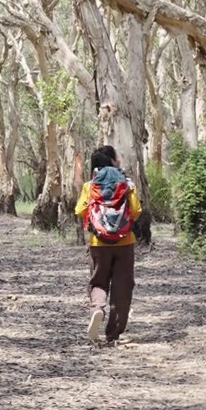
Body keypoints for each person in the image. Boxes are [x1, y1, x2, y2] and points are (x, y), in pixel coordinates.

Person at [74, 145, 141, 346]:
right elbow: (136, 210)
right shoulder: (127, 184)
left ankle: (97, 310)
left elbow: (79, 210)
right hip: (125, 242)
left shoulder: (90, 185)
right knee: (123, 286)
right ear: (112, 161)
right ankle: (113, 333)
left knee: (99, 281)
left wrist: (97, 224)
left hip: (98, 244)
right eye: (117, 157)